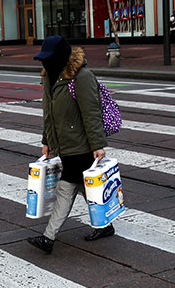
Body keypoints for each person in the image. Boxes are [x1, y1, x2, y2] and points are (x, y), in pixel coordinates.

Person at [27, 35, 112, 254]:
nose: (45, 63)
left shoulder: (81, 77)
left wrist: (97, 144)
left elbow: (91, 113)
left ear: (61, 57)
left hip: (80, 145)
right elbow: (48, 114)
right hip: (64, 145)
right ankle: (105, 224)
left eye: (49, 58)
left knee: (66, 188)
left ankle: (49, 237)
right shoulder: (48, 77)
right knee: (84, 188)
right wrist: (47, 141)